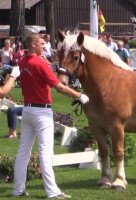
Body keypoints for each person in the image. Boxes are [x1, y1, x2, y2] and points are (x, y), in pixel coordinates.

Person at [12, 33, 89, 199]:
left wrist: (46, 64)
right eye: (41, 43)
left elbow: (40, 75)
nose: (44, 45)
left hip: (27, 110)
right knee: (46, 152)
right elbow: (59, 87)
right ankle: (52, 192)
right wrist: (79, 96)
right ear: (33, 45)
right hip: (41, 112)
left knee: (23, 152)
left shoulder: (22, 61)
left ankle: (18, 189)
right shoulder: (40, 63)